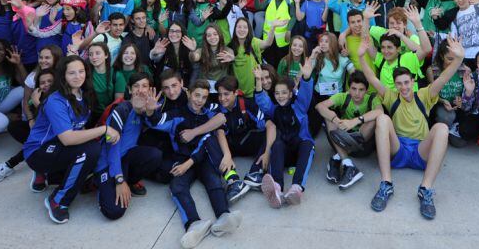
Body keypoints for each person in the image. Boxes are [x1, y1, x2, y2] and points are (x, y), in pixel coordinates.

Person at [358, 36, 465, 217]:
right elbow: (370, 77)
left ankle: (425, 189)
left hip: (420, 151)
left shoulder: (424, 95)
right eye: (399, 83)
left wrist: (459, 59)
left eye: (406, 82)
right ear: (395, 85)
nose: (403, 87)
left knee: (442, 128)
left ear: (413, 81)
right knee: (383, 119)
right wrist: (361, 56)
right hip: (398, 149)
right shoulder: (391, 96)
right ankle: (386, 184)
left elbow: (444, 78)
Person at [23, 56, 119, 224]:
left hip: (57, 146)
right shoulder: (56, 100)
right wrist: (104, 129)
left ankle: (52, 175)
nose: (78, 76)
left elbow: (79, 127)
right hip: (38, 152)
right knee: (89, 151)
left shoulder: (84, 94)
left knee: (92, 150)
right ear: (63, 76)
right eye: (72, 73)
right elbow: (68, 138)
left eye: (81, 71)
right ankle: (58, 200)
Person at [147, 80, 242, 248]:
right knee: (176, 186)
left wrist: (191, 155)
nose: (200, 100)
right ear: (189, 93)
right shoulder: (177, 114)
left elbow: (218, 123)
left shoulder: (209, 112)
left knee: (213, 181)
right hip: (183, 158)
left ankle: (223, 216)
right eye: (197, 95)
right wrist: (149, 112)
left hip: (201, 158)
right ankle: (194, 223)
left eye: (204, 97)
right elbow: (157, 122)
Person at [95, 72, 163, 220]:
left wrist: (150, 112)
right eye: (136, 86)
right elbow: (111, 146)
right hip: (108, 161)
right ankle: (99, 184)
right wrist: (119, 179)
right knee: (113, 211)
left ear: (150, 89)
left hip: (126, 157)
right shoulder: (122, 109)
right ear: (130, 90)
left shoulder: (146, 110)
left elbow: (157, 125)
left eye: (145, 86)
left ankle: (130, 182)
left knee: (155, 155)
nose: (140, 89)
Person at [256, 59, 315, 208]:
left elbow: (306, 94)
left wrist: (306, 78)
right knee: (277, 144)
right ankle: (277, 188)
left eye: (284, 93)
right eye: (277, 93)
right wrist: (258, 81)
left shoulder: (299, 106)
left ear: (290, 94)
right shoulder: (274, 109)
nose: (280, 96)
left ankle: (296, 187)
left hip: (299, 153)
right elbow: (262, 101)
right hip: (284, 155)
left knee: (308, 144)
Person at [315, 71, 384, 189]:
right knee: (329, 117)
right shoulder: (343, 96)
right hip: (340, 140)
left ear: (366, 90)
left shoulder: (372, 98)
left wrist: (355, 121)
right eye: (354, 88)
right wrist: (336, 120)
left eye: (361, 89)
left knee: (374, 119)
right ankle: (348, 164)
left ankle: (337, 158)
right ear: (349, 88)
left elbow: (380, 112)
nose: (357, 93)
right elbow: (319, 106)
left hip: (362, 144)